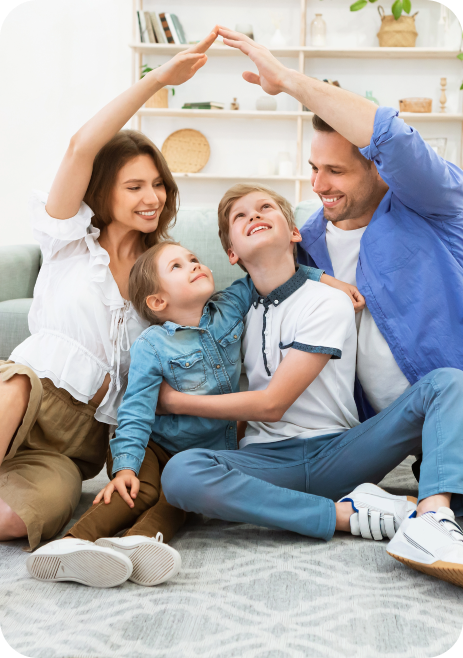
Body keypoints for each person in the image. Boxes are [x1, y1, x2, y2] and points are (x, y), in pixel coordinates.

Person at [26, 191, 364, 588]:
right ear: (157, 300)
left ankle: (139, 544)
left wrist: (329, 280)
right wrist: (126, 466)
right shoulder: (152, 344)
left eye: (193, 259)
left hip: (209, 452)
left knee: (177, 499)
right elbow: (135, 410)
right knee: (138, 488)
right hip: (156, 445)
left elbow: (273, 274)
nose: (193, 265)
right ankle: (72, 544)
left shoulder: (230, 307)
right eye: (177, 265)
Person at [159, 183, 463, 590]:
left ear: (294, 233)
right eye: (240, 216)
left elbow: (272, 405)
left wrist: (176, 403)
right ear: (232, 254)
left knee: (446, 383)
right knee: (180, 473)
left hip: (338, 453)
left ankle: (430, 518)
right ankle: (346, 515)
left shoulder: (327, 301)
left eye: (265, 207)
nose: (254, 216)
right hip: (267, 463)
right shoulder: (233, 310)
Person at [0, 29, 219, 566]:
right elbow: (81, 145)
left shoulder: (164, 269)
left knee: (20, 519)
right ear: (103, 191)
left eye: (158, 184)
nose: (152, 197)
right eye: (134, 186)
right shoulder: (69, 238)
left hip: (81, 441)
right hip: (31, 394)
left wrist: (318, 278)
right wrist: (159, 80)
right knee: (14, 389)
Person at [213, 29, 463, 438]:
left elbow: (392, 137)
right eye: (314, 168)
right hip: (379, 435)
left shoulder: (430, 201)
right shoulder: (303, 244)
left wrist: (287, 80)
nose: (318, 185)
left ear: (376, 166)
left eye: (336, 171)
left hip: (454, 416)